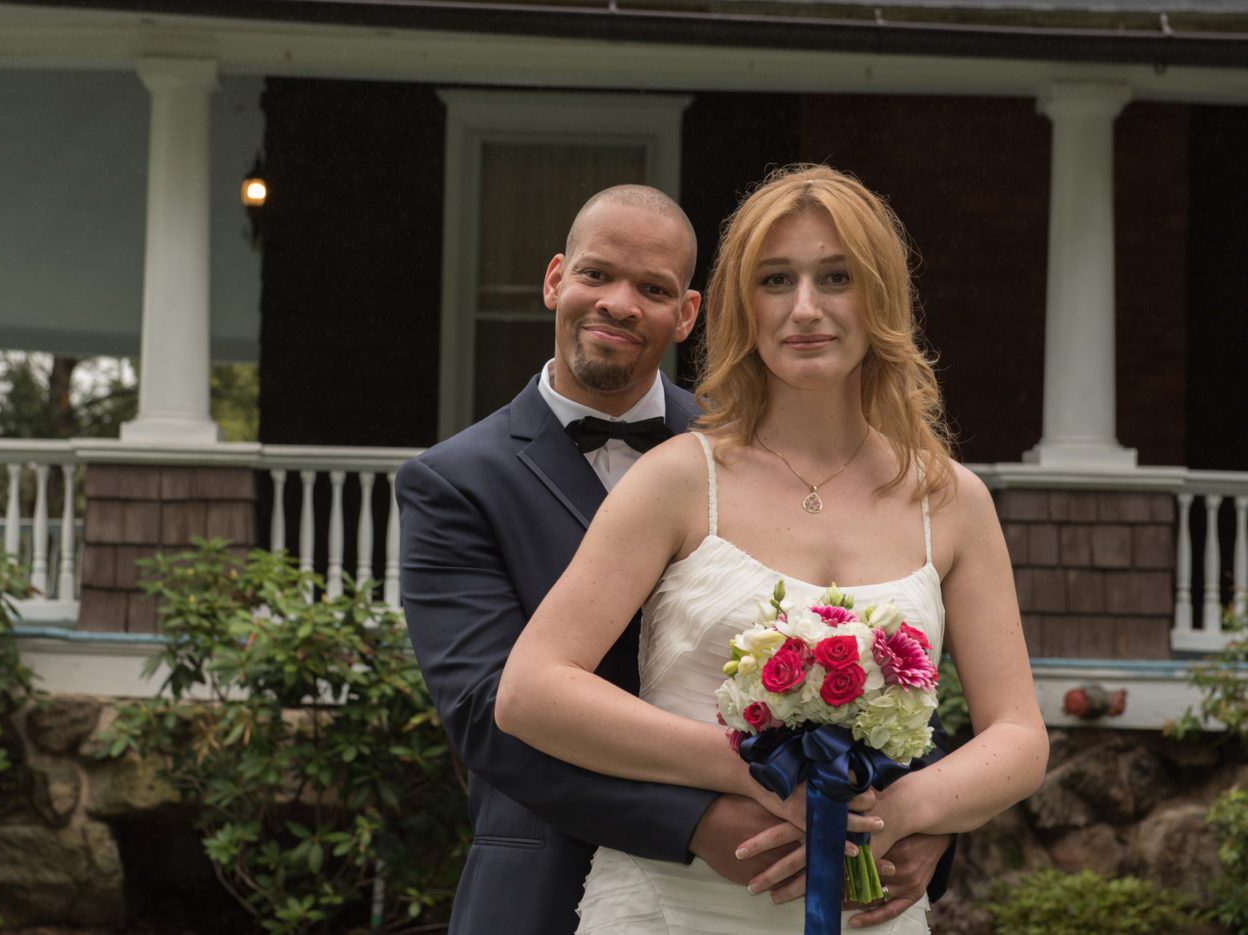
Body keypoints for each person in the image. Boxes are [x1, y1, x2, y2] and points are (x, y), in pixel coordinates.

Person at [497, 165, 1048, 933]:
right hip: (669, 904)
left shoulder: (951, 501)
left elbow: (1020, 734)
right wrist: (759, 771)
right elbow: (531, 691)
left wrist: (900, 809)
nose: (805, 309)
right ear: (738, 306)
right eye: (775, 279)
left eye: (836, 277)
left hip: (868, 907)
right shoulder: (678, 479)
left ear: (881, 297)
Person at [398, 181, 954, 935]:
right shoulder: (455, 480)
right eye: (597, 274)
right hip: (549, 883)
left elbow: (866, 633)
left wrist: (920, 816)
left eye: (653, 287)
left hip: (801, 870)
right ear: (556, 278)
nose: (620, 303)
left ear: (687, 312)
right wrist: (698, 819)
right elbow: (489, 717)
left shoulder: (759, 449)